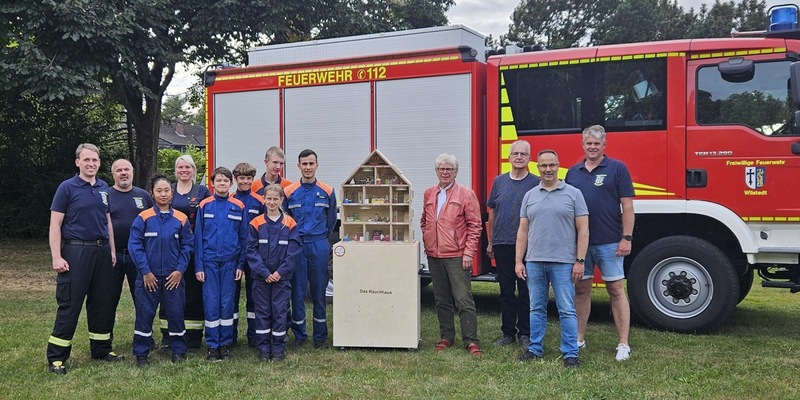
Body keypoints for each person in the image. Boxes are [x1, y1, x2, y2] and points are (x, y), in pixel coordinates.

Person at [46, 143, 123, 375]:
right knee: (70, 304)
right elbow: (55, 224)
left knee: (102, 302)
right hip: (76, 252)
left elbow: (107, 221)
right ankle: (57, 357)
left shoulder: (103, 188)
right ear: (77, 162)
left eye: (95, 160)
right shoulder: (67, 188)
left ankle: (101, 349)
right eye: (86, 160)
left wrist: (112, 250)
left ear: (99, 163)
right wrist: (56, 256)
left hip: (102, 252)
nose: (91, 164)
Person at [565, 124, 635, 362]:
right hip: (580, 244)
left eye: (597, 143)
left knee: (615, 290)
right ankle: (578, 338)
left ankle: (623, 343)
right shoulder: (572, 172)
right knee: (581, 290)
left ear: (604, 145)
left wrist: (626, 237)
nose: (592, 147)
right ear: (583, 145)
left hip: (610, 242)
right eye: (589, 143)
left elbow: (627, 206)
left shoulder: (617, 168)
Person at [515, 149, 588, 368]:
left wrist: (580, 261)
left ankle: (570, 353)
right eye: (544, 165)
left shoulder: (574, 194)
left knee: (566, 309)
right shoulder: (530, 195)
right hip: (535, 261)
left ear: (558, 166)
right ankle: (535, 349)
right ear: (537, 168)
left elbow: (583, 230)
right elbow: (522, 231)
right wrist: (519, 260)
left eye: (552, 165)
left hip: (563, 262)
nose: (548, 169)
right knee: (536, 308)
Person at [420, 153, 483, 356]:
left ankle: (471, 340)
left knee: (463, 299)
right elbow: (424, 221)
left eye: (449, 169)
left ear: (456, 172)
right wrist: (428, 240)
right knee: (441, 299)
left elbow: (475, 226)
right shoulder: (429, 193)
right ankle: (446, 336)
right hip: (434, 255)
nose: (445, 172)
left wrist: (468, 253)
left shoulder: (466, 194)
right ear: (436, 171)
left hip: (457, 255)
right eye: (441, 169)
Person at [128, 174, 193, 366]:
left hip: (173, 277)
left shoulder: (181, 218)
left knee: (176, 314)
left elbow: (187, 246)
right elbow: (135, 246)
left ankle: (179, 350)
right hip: (149, 277)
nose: (163, 194)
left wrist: (179, 270)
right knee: (144, 314)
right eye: (159, 191)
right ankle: (141, 353)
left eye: (166, 191)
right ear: (152, 193)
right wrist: (145, 272)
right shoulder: (143, 218)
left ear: (172, 194)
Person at [486, 140, 539, 349]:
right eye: (515, 153)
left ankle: (525, 333)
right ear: (508, 157)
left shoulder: (535, 183)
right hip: (502, 243)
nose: (519, 157)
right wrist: (491, 242)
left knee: (526, 291)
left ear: (529, 158)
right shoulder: (499, 182)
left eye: (523, 154)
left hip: (528, 245)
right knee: (506, 291)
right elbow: (492, 212)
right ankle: (508, 333)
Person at [284, 149, 337, 349]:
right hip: (297, 245)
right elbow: (286, 219)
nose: (308, 167)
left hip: (318, 244)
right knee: (297, 292)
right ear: (298, 166)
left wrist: (321, 238)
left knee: (319, 291)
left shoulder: (327, 191)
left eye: (311, 163)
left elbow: (331, 221)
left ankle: (320, 337)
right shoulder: (289, 192)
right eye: (304, 164)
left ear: (317, 165)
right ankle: (299, 335)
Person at [195, 166, 248, 361]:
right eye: (219, 180)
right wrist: (199, 266)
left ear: (231, 183)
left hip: (230, 263)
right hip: (209, 263)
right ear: (212, 183)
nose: (222, 183)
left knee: (227, 304)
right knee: (211, 303)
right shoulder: (204, 206)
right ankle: (212, 345)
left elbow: (244, 238)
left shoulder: (238, 206)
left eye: (226, 180)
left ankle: (225, 344)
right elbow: (198, 238)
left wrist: (240, 265)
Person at [247, 184, 301, 361]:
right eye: (268, 198)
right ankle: (263, 348)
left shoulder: (290, 223)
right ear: (263, 199)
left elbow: (293, 252)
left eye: (275, 199)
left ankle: (278, 348)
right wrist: (264, 272)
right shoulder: (256, 223)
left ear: (281, 200)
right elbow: (251, 250)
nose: (271, 202)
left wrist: (279, 272)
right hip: (261, 278)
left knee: (279, 311)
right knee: (262, 312)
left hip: (281, 279)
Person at [161, 154, 211, 349]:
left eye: (187, 167)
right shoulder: (169, 189)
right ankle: (168, 335)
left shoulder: (202, 191)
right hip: (170, 248)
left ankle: (193, 335)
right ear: (176, 170)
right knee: (169, 288)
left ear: (193, 170)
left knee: (193, 291)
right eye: (180, 167)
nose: (184, 170)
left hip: (194, 247)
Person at [108, 159, 153, 339]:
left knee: (142, 299)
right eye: (119, 170)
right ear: (113, 174)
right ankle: (105, 339)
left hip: (139, 257)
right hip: (113, 257)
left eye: (126, 169)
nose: (123, 173)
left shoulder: (144, 196)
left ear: (132, 172)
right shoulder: (106, 195)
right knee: (108, 300)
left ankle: (145, 338)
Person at [232, 162, 266, 347]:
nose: (245, 181)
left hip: (254, 255)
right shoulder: (229, 199)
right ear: (235, 179)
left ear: (253, 179)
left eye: (248, 178)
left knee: (255, 296)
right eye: (241, 178)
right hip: (234, 255)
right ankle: (231, 335)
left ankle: (254, 336)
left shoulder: (260, 201)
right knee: (232, 296)